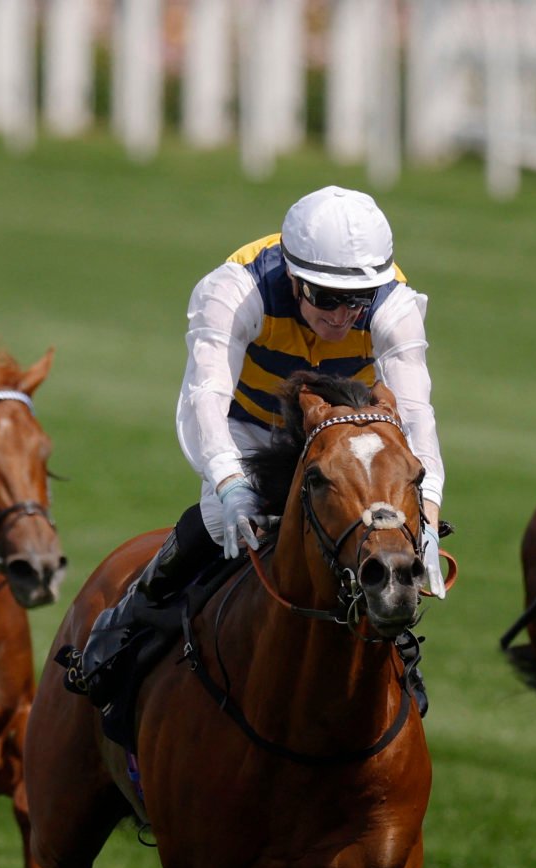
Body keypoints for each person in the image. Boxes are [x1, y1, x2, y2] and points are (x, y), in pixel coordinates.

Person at [74, 185, 448, 712]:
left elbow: (415, 419)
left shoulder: (394, 308)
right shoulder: (234, 290)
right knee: (221, 519)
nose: (342, 317)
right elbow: (204, 399)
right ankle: (130, 617)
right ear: (293, 278)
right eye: (325, 297)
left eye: (356, 300)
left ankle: (397, 654)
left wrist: (428, 513)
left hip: (344, 441)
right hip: (249, 426)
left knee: (377, 540)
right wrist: (229, 485)